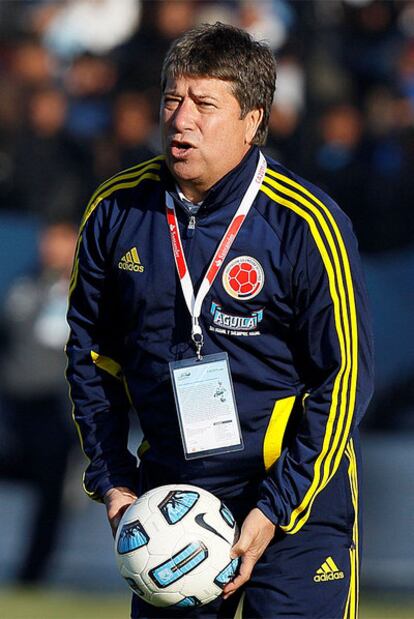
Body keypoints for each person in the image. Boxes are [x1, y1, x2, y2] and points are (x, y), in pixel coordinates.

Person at [66, 23, 374, 619]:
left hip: (290, 501)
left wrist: (276, 507)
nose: (182, 119)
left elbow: (344, 379)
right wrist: (114, 483)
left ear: (254, 119)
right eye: (173, 100)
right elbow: (90, 357)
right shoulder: (115, 211)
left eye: (205, 104)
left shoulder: (307, 224)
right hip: (173, 505)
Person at [0, 221, 78, 583]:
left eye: (60, 239)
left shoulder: (88, 291)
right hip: (12, 410)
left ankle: (33, 574)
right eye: (47, 238)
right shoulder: (25, 282)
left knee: (51, 498)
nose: (50, 247)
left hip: (56, 415)